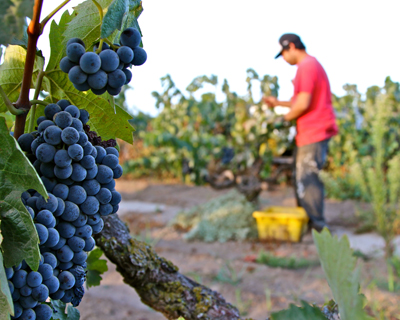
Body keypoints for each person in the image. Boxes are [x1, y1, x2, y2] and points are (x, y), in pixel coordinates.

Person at [263, 33, 338, 231]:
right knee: (302, 178)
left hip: (314, 131)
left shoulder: (306, 67)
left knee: (308, 179)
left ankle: (318, 229)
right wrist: (278, 103)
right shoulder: (310, 66)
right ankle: (308, 224)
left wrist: (282, 119)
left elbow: (303, 104)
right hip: (310, 132)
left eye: (284, 54)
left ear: (292, 47)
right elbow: (301, 100)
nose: (284, 59)